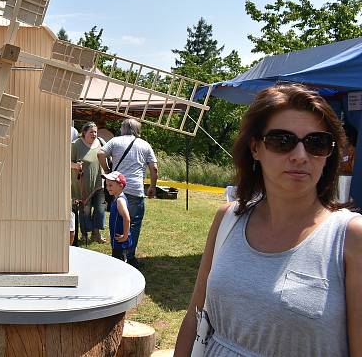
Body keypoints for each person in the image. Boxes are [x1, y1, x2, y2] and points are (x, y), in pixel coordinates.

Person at [174, 84, 362, 357]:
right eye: (281, 141)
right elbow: (194, 317)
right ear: (255, 148)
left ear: (329, 154)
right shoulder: (228, 219)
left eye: (316, 143)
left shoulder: (350, 237)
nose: (300, 156)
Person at [98, 118, 158, 267]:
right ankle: (130, 256)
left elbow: (100, 153)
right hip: (136, 189)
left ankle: (117, 254)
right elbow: (154, 169)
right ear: (138, 130)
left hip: (119, 188)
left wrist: (107, 171)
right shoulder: (145, 145)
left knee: (118, 221)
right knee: (134, 223)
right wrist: (152, 186)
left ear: (122, 129)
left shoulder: (115, 141)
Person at [71, 122, 106, 245]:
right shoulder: (75, 145)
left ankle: (96, 234)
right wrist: (75, 165)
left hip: (99, 182)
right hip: (83, 184)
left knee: (100, 209)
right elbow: (65, 162)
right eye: (91, 132)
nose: (94, 134)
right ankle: (85, 234)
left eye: (96, 132)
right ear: (84, 132)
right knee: (85, 210)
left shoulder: (100, 143)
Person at [104, 171, 132, 262]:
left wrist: (125, 235)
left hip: (120, 241)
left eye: (110, 185)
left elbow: (127, 218)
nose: (108, 188)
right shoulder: (116, 198)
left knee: (120, 262)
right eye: (107, 185)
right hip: (117, 240)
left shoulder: (120, 200)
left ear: (120, 185)